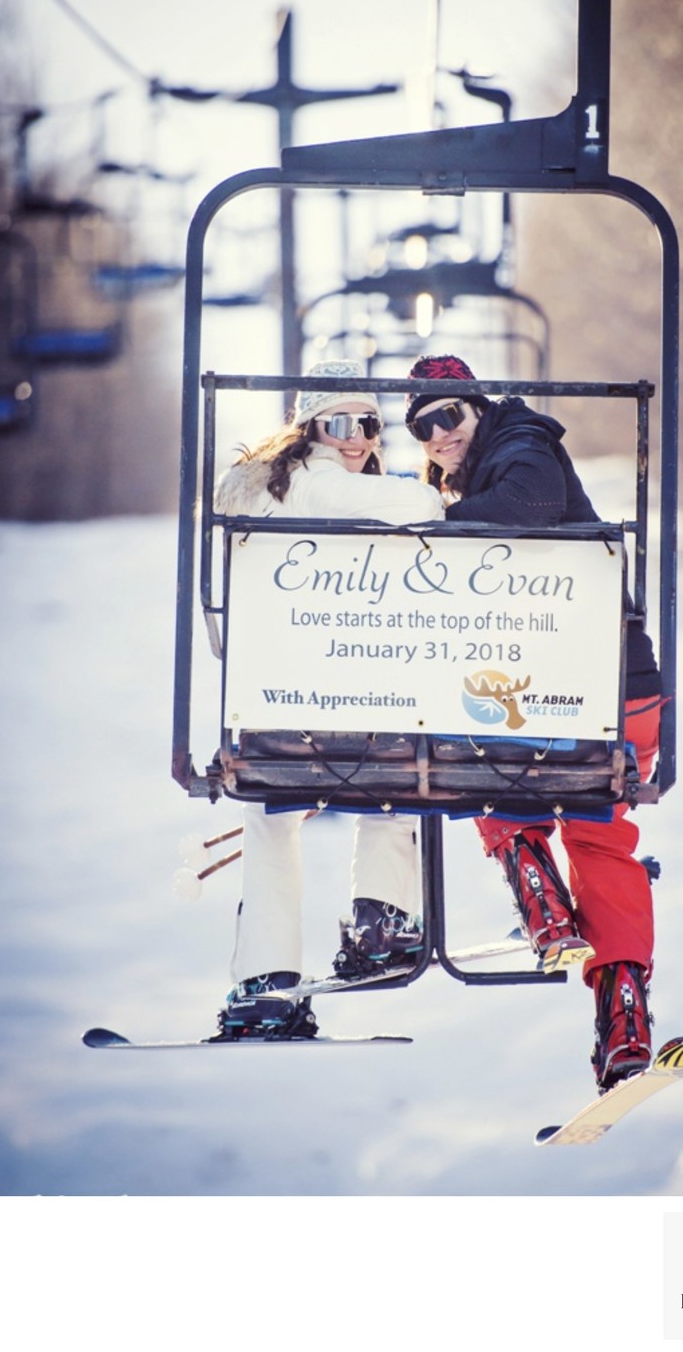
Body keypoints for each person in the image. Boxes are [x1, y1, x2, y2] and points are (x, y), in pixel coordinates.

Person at [404, 354, 664, 1092]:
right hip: (603, 690)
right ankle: (622, 1014)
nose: (438, 435)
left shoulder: (522, 445)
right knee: (601, 838)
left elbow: (531, 504)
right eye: (421, 428)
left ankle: (538, 894)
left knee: (468, 755)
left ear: (477, 408)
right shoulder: (477, 465)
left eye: (447, 415)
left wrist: (435, 524)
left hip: (590, 690)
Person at [213, 358, 444, 1039]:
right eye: (340, 422)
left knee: (270, 818)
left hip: (275, 704)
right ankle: (380, 917)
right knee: (399, 776)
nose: (356, 438)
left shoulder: (258, 488)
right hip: (352, 703)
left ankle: (267, 973)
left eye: (369, 423)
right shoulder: (324, 486)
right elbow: (424, 503)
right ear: (309, 427)